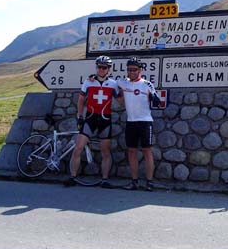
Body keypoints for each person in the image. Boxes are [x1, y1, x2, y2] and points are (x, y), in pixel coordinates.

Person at [64, 55, 118, 188]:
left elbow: (121, 100)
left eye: (104, 67)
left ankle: (104, 180)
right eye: (99, 67)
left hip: (105, 120)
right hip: (90, 119)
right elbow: (81, 100)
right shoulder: (88, 82)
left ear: (109, 69)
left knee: (105, 151)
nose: (101, 69)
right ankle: (73, 177)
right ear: (96, 68)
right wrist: (79, 115)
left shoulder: (114, 84)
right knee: (78, 148)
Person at [117, 57, 161, 191]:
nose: (131, 72)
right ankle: (134, 181)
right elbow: (108, 81)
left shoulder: (146, 84)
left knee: (147, 151)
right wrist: (92, 77)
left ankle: (149, 182)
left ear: (140, 70)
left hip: (145, 121)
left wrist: (154, 98)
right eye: (129, 70)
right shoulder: (124, 83)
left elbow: (156, 100)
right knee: (131, 151)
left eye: (134, 70)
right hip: (131, 121)